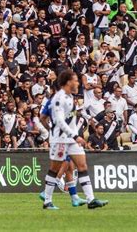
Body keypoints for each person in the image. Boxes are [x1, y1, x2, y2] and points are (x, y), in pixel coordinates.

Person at [42, 69, 107, 210]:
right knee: (55, 169)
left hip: (71, 138)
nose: (78, 83)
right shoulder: (58, 98)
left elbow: (49, 118)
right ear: (68, 82)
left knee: (82, 166)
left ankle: (91, 200)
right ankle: (47, 201)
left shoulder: (70, 97)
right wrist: (55, 132)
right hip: (60, 139)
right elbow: (58, 121)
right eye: (76, 80)